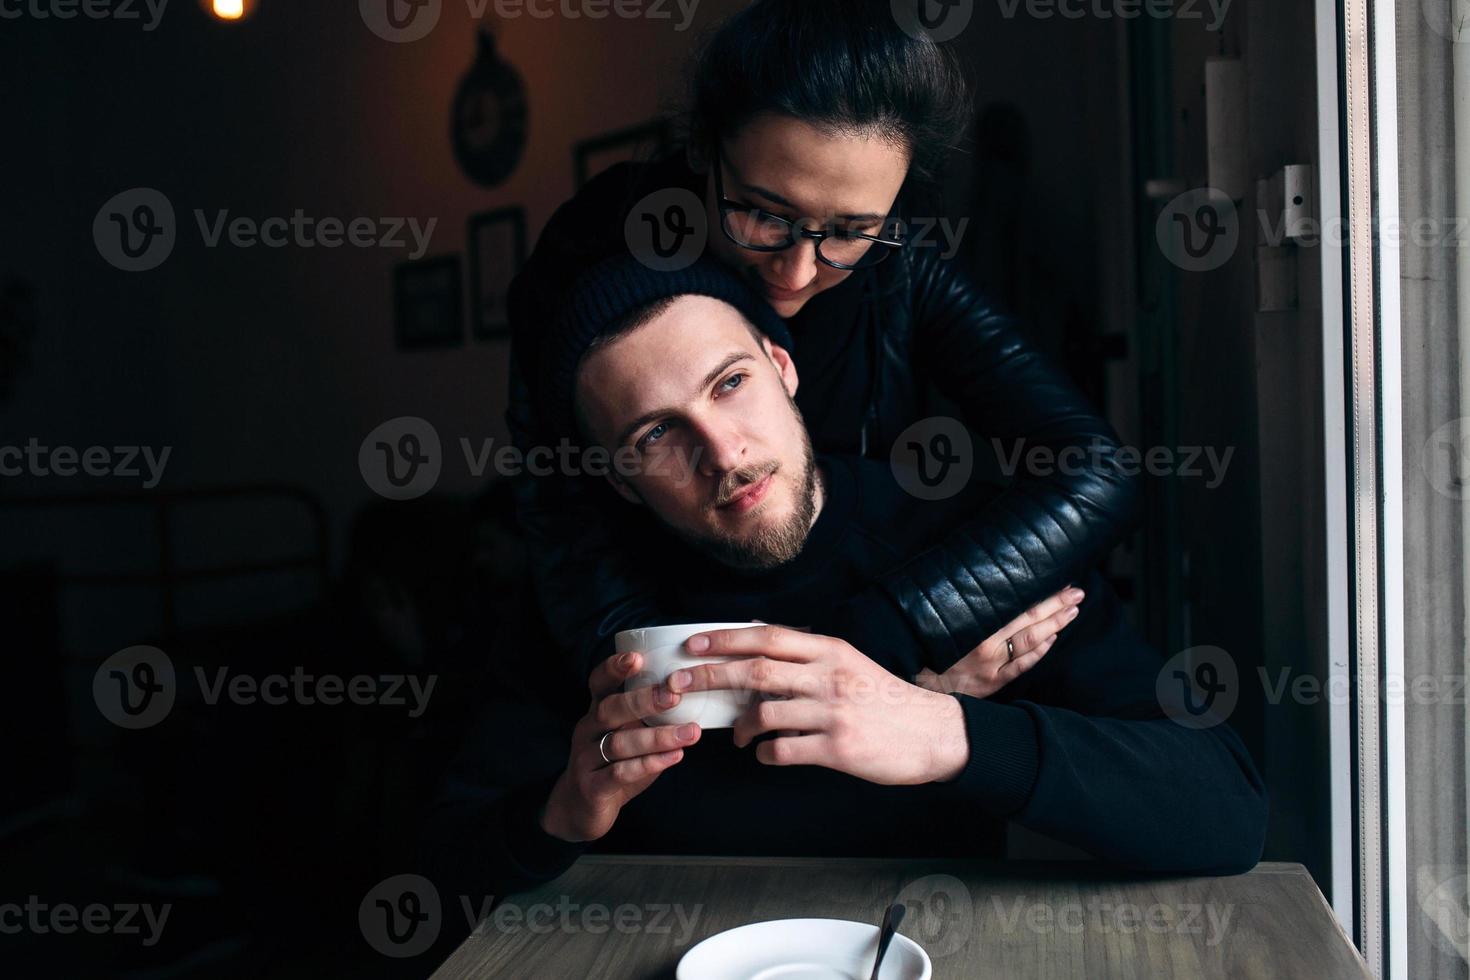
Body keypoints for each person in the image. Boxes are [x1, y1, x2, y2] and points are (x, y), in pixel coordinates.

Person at [423, 258, 1267, 916]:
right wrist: (565, 809)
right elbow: (447, 870)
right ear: (615, 479)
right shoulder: (588, 604)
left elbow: (1226, 807)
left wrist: (947, 730)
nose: (722, 453)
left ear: (782, 366)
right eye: (655, 436)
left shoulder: (962, 542)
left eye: (730, 384)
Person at [506, 0, 1139, 688]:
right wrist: (692, 694)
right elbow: (577, 559)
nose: (798, 272)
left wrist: (895, 633)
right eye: (763, 214)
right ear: (702, 152)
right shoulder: (588, 259)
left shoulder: (900, 267)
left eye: (849, 230)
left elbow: (1094, 469)